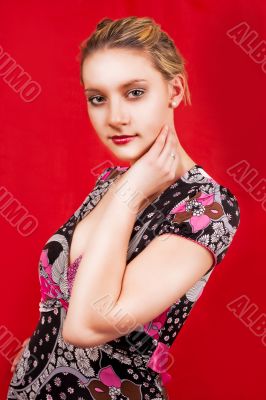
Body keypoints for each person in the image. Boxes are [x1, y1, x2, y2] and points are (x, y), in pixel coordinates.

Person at [7, 16, 240, 400]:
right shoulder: (108, 183)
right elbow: (60, 304)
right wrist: (32, 359)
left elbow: (86, 326)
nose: (115, 118)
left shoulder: (207, 206)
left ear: (174, 89)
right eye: (97, 98)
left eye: (134, 92)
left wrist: (130, 190)